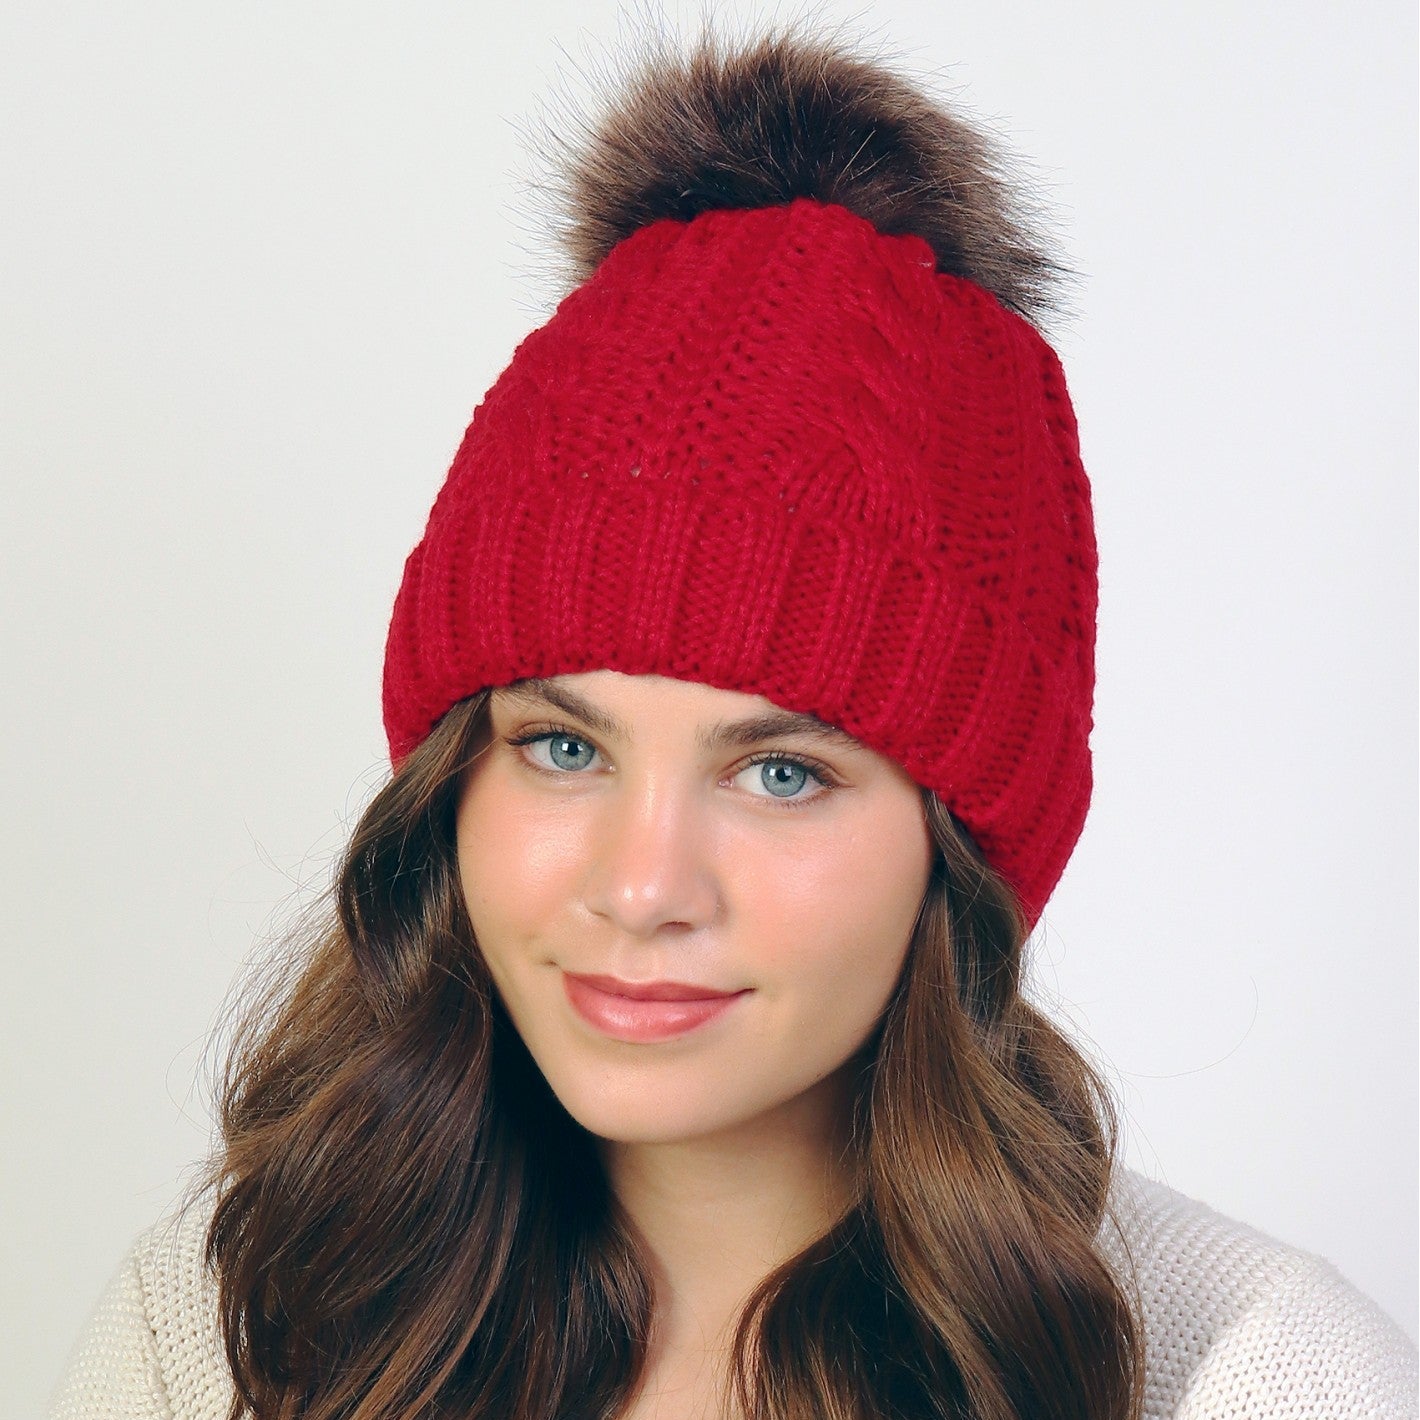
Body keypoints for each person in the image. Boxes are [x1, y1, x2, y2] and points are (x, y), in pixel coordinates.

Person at [47, 23, 1417, 1420]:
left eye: (780, 771)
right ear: (449, 786)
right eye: (562, 748)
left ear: (962, 851)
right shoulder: (231, 1324)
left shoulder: (1250, 1376)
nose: (642, 888)